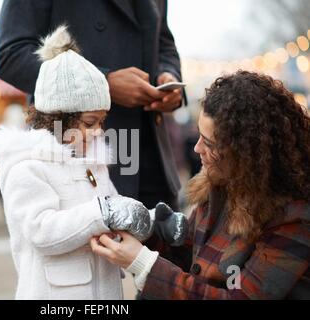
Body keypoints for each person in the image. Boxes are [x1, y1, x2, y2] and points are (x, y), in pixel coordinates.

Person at [0, 26, 186, 300]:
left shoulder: (93, 162)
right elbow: (41, 231)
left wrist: (152, 221)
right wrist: (102, 213)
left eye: (102, 122)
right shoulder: (27, 166)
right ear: (58, 118)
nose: (99, 131)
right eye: (90, 123)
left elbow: (116, 211)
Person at [91, 71, 310, 299]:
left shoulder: (296, 218)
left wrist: (144, 264)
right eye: (199, 136)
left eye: (209, 143)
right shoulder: (222, 185)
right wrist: (146, 230)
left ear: (248, 153)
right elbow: (190, 258)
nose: (196, 149)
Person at [0, 0, 185, 210]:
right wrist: (104, 82)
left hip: (152, 160)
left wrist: (170, 78)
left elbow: (163, 43)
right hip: (77, 158)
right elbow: (12, 55)